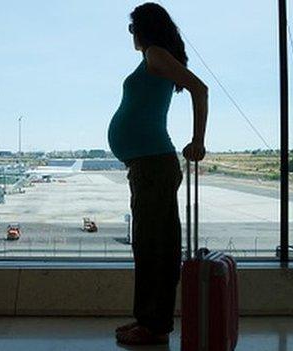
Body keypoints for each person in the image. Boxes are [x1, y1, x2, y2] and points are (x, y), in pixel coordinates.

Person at [107, 2, 208, 346]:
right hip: (146, 165)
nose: (131, 35)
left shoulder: (155, 54)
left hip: (154, 164)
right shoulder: (151, 57)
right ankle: (148, 320)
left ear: (145, 28)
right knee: (150, 245)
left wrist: (198, 140)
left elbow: (200, 89)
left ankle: (153, 325)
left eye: (132, 28)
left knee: (154, 247)